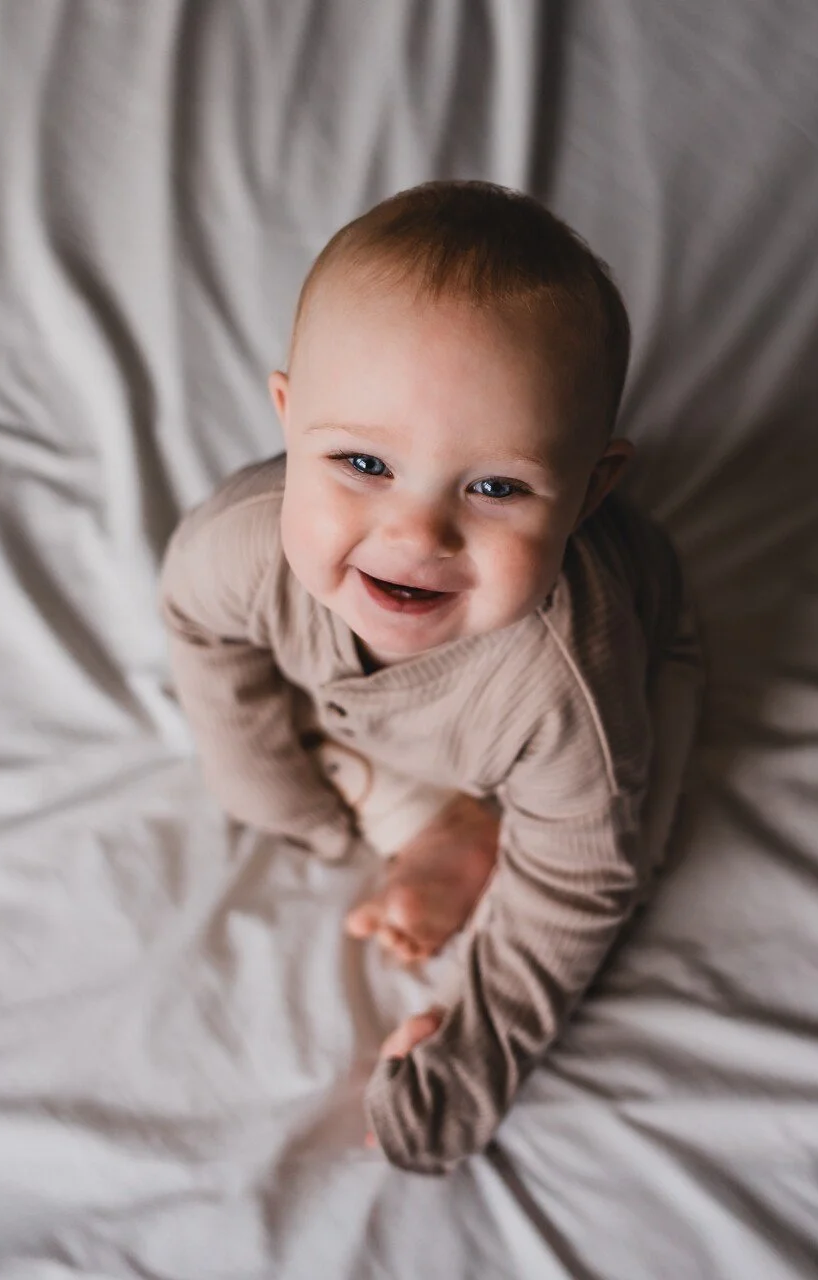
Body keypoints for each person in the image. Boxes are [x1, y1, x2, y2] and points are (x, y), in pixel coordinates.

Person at [159, 179, 702, 1174]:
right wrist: (271, 792)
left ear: (590, 490)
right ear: (289, 418)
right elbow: (198, 628)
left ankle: (487, 827)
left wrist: (473, 1065)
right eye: (364, 462)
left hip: (615, 694)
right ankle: (450, 828)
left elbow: (582, 883)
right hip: (406, 724)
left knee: (632, 850)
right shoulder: (241, 548)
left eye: (496, 487)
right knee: (317, 729)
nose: (415, 535)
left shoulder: (563, 684)